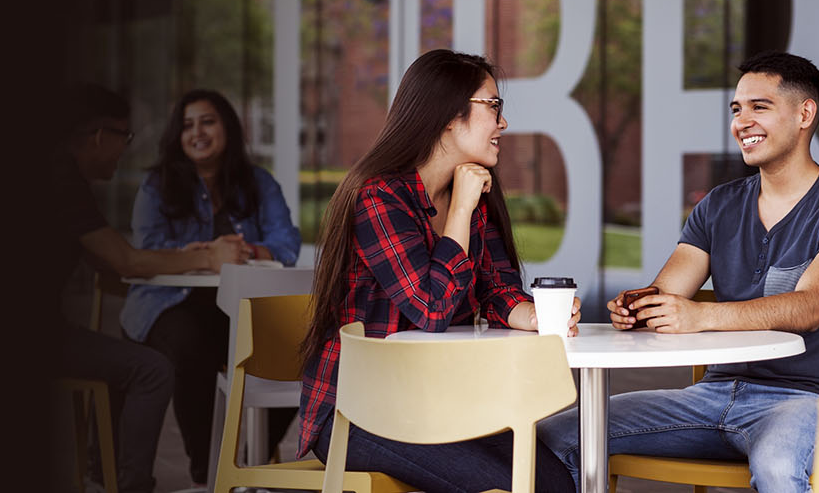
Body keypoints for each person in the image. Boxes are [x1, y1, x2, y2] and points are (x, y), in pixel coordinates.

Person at [537, 51, 819, 493]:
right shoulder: (718, 205)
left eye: (760, 107)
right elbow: (667, 290)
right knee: (555, 436)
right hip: (709, 397)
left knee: (777, 466)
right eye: (737, 110)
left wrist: (700, 316)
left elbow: (810, 307)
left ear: (805, 113)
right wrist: (637, 308)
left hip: (803, 399)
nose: (742, 122)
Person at [297, 49, 582, 493]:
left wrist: (534, 314)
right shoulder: (378, 197)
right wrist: (462, 210)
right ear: (450, 115)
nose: (502, 123)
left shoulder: (471, 192)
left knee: (555, 483)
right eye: (494, 106)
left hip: (438, 401)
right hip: (359, 411)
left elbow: (496, 289)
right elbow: (431, 309)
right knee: (505, 487)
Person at [53, 84, 250, 493]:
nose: (123, 150)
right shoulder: (64, 180)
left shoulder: (61, 177)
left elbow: (109, 266)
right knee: (152, 368)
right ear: (97, 136)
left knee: (131, 358)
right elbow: (126, 261)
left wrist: (177, 263)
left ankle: (104, 475)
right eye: (123, 138)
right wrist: (205, 259)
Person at [121, 89, 302, 486]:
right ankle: (210, 471)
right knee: (191, 346)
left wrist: (244, 250)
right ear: (177, 136)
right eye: (187, 125)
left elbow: (286, 244)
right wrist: (194, 253)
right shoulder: (158, 186)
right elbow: (146, 249)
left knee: (294, 348)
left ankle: (244, 462)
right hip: (170, 305)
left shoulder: (258, 183)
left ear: (227, 128)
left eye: (207, 121)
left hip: (238, 307)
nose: (197, 132)